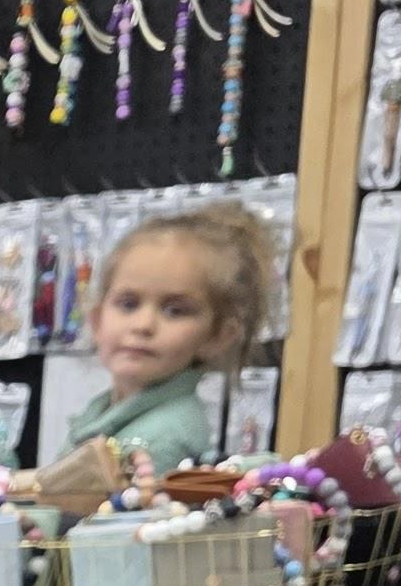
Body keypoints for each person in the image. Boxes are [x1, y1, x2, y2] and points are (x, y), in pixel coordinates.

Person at [71, 202, 275, 473]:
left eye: (175, 311)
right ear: (97, 320)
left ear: (218, 336)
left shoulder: (160, 441)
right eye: (128, 304)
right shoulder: (100, 415)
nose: (143, 325)